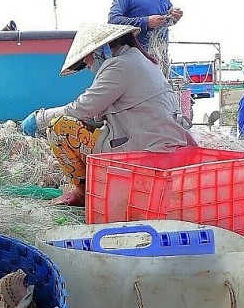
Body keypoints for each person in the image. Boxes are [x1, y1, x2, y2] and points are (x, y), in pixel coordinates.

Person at [20, 23, 196, 206]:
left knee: (59, 127)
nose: (88, 67)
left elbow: (80, 109)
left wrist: (39, 118)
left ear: (100, 51)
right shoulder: (140, 61)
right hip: (168, 144)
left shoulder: (118, 67)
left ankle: (82, 193)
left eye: (86, 61)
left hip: (147, 151)